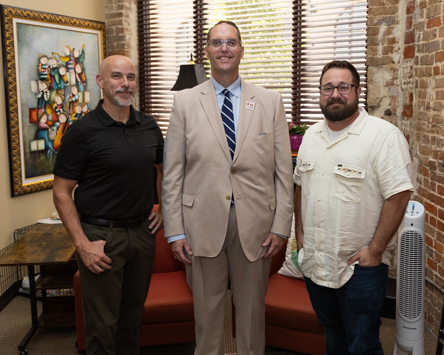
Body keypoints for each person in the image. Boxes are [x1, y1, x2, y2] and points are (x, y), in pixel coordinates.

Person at [162, 20, 294, 355]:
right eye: (217, 42)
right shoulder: (185, 102)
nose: (224, 48)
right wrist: (175, 232)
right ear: (207, 51)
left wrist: (281, 228)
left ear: (241, 50)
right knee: (206, 315)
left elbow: (283, 172)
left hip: (255, 225)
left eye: (231, 42)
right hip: (200, 223)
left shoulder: (270, 101)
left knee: (252, 314)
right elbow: (172, 173)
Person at [294, 60, 414, 354]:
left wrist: (375, 250)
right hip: (317, 263)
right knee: (333, 333)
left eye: (343, 87)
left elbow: (399, 195)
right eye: (328, 87)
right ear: (320, 93)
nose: (335, 94)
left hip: (359, 267)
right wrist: (300, 238)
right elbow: (299, 187)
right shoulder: (311, 135)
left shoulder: (383, 136)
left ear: (358, 91)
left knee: (363, 344)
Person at [53, 55, 164, 355]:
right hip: (100, 238)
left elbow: (163, 168)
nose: (125, 84)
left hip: (142, 235)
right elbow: (61, 192)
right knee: (103, 326)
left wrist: (163, 208)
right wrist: (82, 245)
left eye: (130, 77)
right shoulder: (82, 131)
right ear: (101, 81)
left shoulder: (149, 126)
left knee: (132, 319)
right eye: (116, 76)